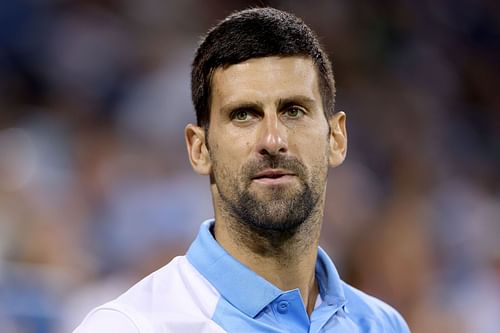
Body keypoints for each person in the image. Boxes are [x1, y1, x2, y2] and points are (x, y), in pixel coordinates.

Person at [74, 7, 410, 333]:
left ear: (336, 138)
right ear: (199, 148)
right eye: (244, 115)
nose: (273, 139)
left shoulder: (383, 324)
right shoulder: (132, 326)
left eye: (293, 111)